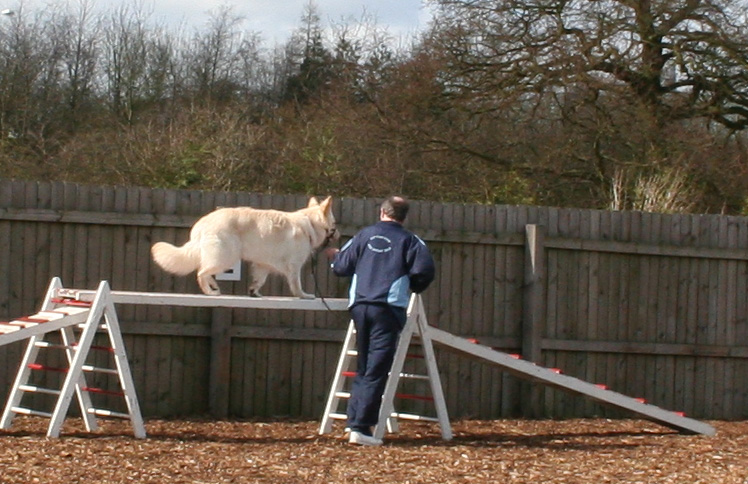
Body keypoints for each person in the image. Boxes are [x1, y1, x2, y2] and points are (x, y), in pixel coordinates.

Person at [326, 196, 436, 446]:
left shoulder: (363, 236)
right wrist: (412, 286)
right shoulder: (410, 241)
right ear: (404, 217)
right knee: (376, 369)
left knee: (364, 365)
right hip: (387, 309)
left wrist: (334, 256)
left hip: (360, 307)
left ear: (381, 212)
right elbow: (424, 271)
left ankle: (353, 422)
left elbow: (342, 267)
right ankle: (361, 428)